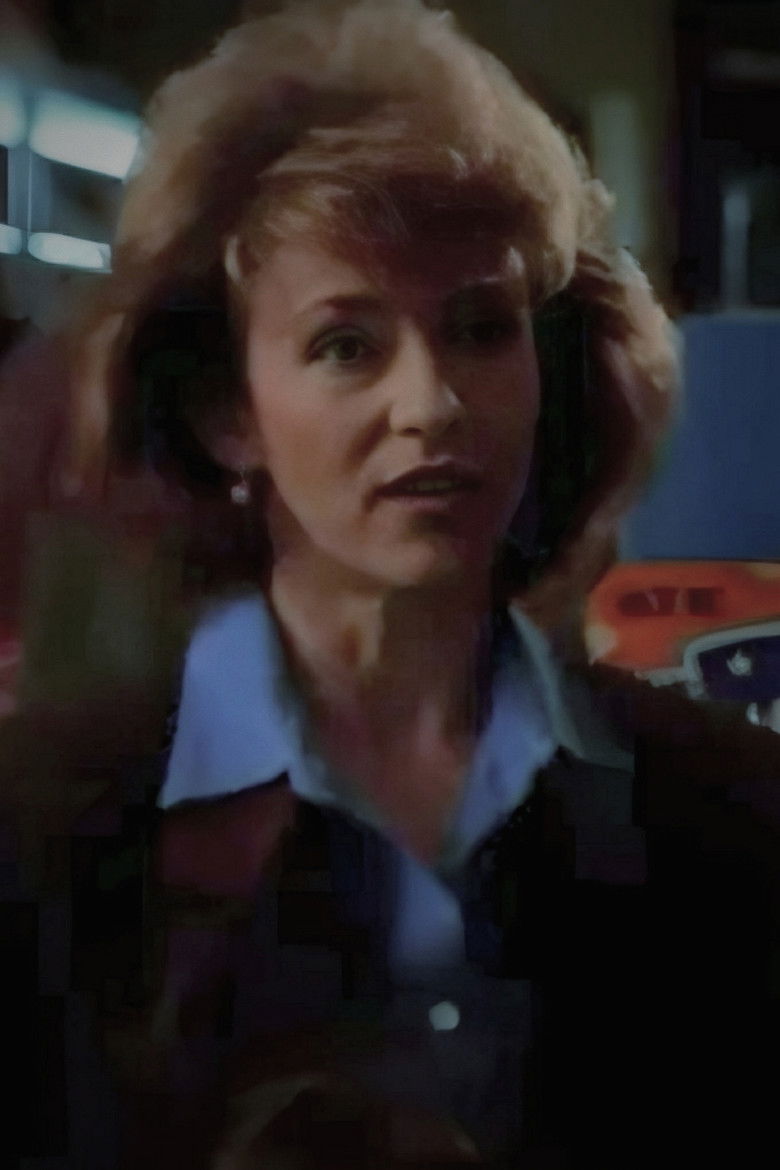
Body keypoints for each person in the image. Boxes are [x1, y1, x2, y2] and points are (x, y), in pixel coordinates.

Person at [28, 0, 780, 1166]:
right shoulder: (43, 834)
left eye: (481, 329)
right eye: (348, 344)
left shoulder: (733, 813)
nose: (432, 404)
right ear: (226, 410)